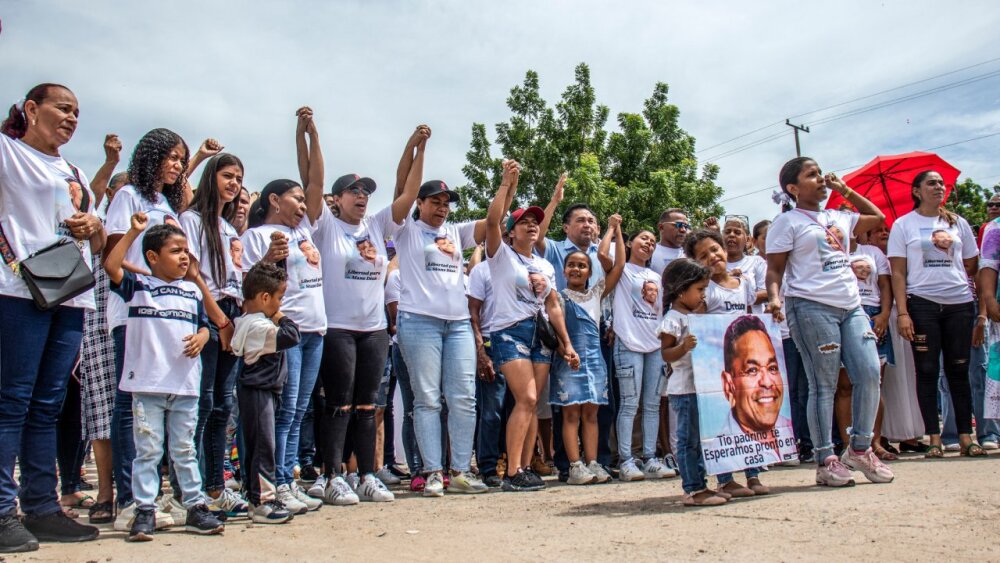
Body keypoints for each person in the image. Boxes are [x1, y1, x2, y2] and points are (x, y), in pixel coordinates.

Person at [0, 83, 105, 552]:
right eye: (63, 108)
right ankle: (3, 511)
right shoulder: (7, 153)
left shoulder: (75, 170)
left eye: (77, 112)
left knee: (47, 405)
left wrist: (94, 224)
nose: (71, 118)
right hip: (19, 291)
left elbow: (97, 243)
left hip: (69, 296)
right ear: (30, 109)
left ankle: (41, 507)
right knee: (11, 401)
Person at [310, 119, 425, 505]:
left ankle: (366, 475)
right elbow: (311, 182)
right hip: (338, 328)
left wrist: (416, 147)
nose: (361, 197)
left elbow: (410, 192)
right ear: (337, 198)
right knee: (338, 404)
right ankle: (331, 475)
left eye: (365, 193)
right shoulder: (325, 226)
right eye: (352, 192)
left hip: (374, 330)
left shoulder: (377, 226)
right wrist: (311, 136)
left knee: (367, 406)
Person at [766, 156, 893, 487]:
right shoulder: (787, 222)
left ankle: (860, 449)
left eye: (821, 173)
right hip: (810, 307)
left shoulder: (839, 216)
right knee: (823, 384)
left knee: (868, 374)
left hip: (851, 307)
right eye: (812, 175)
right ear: (793, 188)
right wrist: (776, 298)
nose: (821, 179)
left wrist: (845, 189)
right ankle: (825, 459)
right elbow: (775, 269)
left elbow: (877, 217)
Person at [104, 214, 224, 541]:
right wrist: (134, 231)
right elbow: (112, 265)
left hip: (185, 386)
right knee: (149, 449)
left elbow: (205, 325)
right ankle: (145, 509)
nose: (184, 256)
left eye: (186, 250)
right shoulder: (138, 286)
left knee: (184, 449)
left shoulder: (191, 291)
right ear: (153, 257)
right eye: (176, 250)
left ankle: (195, 506)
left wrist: (202, 336)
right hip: (148, 385)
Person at [239, 108, 326, 514]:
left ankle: (287, 477)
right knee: (283, 410)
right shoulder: (257, 236)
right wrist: (271, 261)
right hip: (283, 333)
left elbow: (313, 179)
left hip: (315, 331)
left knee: (299, 410)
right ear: (274, 200)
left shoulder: (304, 230)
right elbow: (252, 291)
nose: (303, 203)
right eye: (294, 198)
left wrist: (308, 134)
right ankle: (270, 484)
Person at [393, 139, 489, 497]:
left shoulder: (456, 231)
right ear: (420, 204)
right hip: (419, 321)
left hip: (458, 323)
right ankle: (433, 472)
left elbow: (493, 220)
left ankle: (461, 471)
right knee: (427, 399)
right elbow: (402, 185)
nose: (443, 208)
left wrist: (508, 185)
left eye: (447, 203)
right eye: (435, 201)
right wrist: (416, 149)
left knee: (463, 397)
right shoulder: (405, 229)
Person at [104, 127, 190, 527]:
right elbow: (114, 254)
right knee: (131, 407)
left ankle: (152, 497)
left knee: (163, 408)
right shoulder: (128, 196)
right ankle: (129, 500)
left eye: (181, 160)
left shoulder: (167, 203)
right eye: (171, 157)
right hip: (133, 310)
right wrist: (155, 282)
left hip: (168, 316)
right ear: (151, 155)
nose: (176, 165)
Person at [485, 161, 578, 492]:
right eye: (524, 222)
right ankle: (511, 472)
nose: (532, 226)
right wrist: (504, 185)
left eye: (536, 222)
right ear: (511, 231)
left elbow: (553, 304)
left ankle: (524, 467)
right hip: (509, 332)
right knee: (524, 398)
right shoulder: (500, 256)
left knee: (534, 402)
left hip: (540, 336)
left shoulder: (543, 264)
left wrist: (566, 343)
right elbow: (493, 219)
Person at [889, 170, 984, 458]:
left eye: (941, 183)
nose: (938, 187)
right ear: (916, 191)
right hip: (922, 304)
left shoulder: (958, 223)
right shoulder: (903, 225)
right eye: (931, 183)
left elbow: (972, 264)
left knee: (959, 370)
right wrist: (903, 313)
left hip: (960, 303)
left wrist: (979, 313)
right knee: (927, 371)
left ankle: (967, 437)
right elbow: (898, 271)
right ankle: (934, 438)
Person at [179, 152, 249, 518]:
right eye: (227, 175)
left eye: (238, 177)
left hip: (232, 313)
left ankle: (216, 487)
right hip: (206, 314)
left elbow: (236, 276)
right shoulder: (191, 220)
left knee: (223, 405)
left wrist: (235, 320)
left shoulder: (228, 228)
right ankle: (188, 489)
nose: (233, 183)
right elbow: (191, 273)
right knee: (201, 403)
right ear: (211, 178)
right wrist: (219, 321)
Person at [685, 229, 768, 495]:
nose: (712, 257)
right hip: (715, 367)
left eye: (715, 250)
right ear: (695, 263)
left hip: (744, 367)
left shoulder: (743, 284)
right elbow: (697, 324)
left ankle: (753, 474)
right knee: (720, 422)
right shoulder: (705, 291)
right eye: (703, 256)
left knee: (747, 422)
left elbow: (746, 318)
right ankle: (725, 479)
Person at [554, 213, 625, 485]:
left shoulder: (596, 293)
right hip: (569, 360)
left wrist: (614, 229)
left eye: (582, 266)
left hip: (595, 360)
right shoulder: (558, 297)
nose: (576, 269)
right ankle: (574, 465)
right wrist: (565, 351)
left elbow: (619, 265)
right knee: (571, 413)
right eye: (571, 265)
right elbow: (557, 332)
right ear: (564, 271)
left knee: (592, 414)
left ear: (589, 271)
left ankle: (593, 462)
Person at [231, 262, 298, 524]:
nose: (280, 305)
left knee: (261, 444)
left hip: (265, 391)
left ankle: (258, 495)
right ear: (265, 297)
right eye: (279, 298)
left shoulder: (255, 321)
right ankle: (262, 501)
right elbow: (291, 336)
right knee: (263, 446)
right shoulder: (258, 325)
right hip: (258, 391)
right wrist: (280, 316)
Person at [659, 259, 725, 506]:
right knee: (687, 440)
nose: (702, 295)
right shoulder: (673, 319)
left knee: (699, 439)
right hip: (683, 389)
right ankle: (693, 489)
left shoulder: (695, 317)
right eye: (699, 290)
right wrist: (682, 347)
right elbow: (665, 353)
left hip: (699, 388)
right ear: (680, 290)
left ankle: (702, 484)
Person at [614, 228, 673, 481]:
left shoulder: (656, 277)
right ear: (629, 243)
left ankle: (650, 458)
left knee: (651, 405)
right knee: (629, 404)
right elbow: (609, 260)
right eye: (643, 239)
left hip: (655, 346)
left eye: (652, 241)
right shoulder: (621, 270)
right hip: (628, 343)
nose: (648, 244)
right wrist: (614, 229)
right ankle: (626, 460)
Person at [719, 315, 789, 457]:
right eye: (752, 370)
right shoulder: (722, 455)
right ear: (728, 385)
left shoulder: (789, 429)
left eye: (772, 368)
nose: (767, 382)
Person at [724, 218, 767, 310]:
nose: (731, 235)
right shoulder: (715, 264)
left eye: (737, 232)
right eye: (727, 232)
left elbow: (765, 293)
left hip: (751, 322)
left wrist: (728, 298)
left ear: (747, 239)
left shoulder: (757, 262)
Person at [652, 208, 690, 276]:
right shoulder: (649, 252)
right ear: (661, 227)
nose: (683, 230)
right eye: (678, 225)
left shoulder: (690, 254)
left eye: (686, 226)